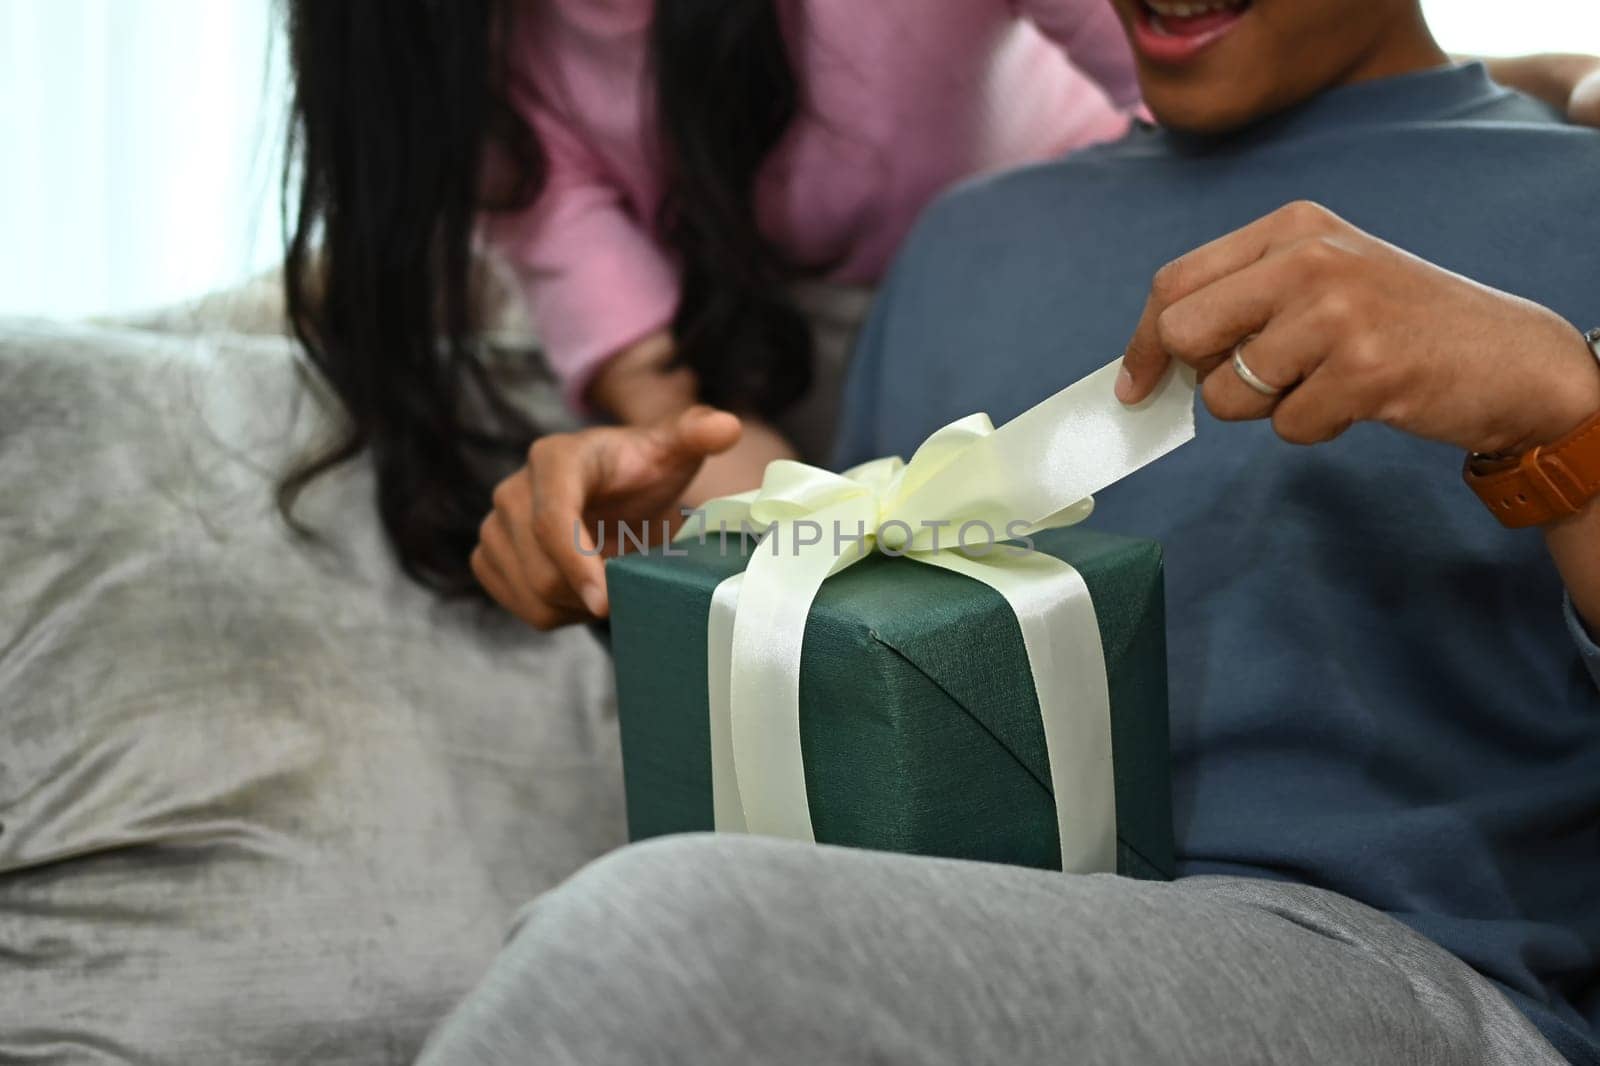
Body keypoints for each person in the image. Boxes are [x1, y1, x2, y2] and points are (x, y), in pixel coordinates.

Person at [417, 2, 1600, 1064]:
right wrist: (640, 558)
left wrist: (1563, 418)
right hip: (968, 936)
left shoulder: (1575, 203)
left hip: (1401, 978)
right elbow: (870, 673)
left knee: (656, 936)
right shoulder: (966, 244)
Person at [279, 1, 1599, 610]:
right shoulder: (964, 259)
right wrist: (636, 539)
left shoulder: (1548, 228)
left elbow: (1240, 81)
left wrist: (1523, 100)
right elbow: (717, 459)